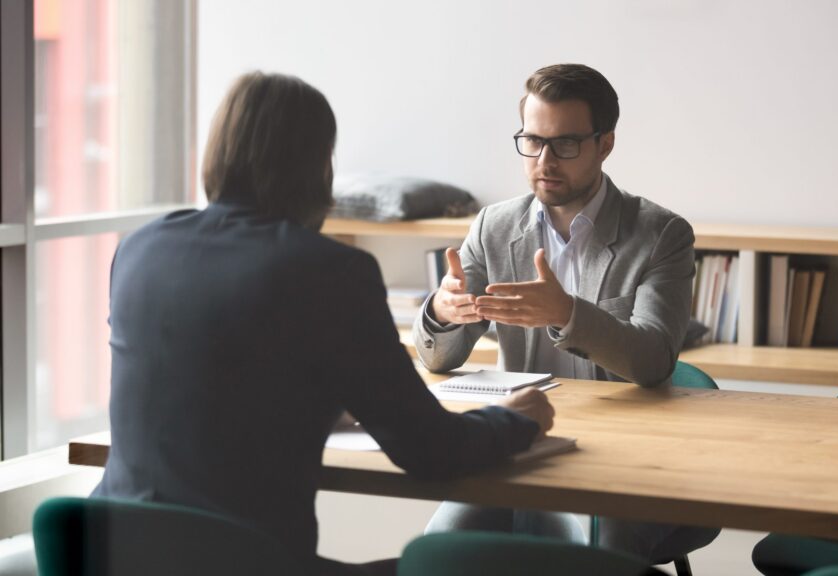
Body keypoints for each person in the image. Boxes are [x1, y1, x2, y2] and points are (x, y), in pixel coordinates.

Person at [92, 72, 555, 576]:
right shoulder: (330, 270)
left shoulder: (139, 248)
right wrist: (517, 419)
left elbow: (202, 376)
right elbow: (431, 451)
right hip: (247, 563)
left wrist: (312, 401)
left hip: (110, 552)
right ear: (317, 166)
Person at [413, 63, 718, 564]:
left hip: (631, 457)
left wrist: (568, 313)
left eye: (566, 144)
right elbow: (439, 359)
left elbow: (653, 360)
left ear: (605, 144)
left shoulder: (661, 235)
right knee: (440, 551)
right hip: (524, 444)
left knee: (592, 552)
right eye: (533, 141)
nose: (545, 161)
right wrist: (443, 313)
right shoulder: (494, 226)